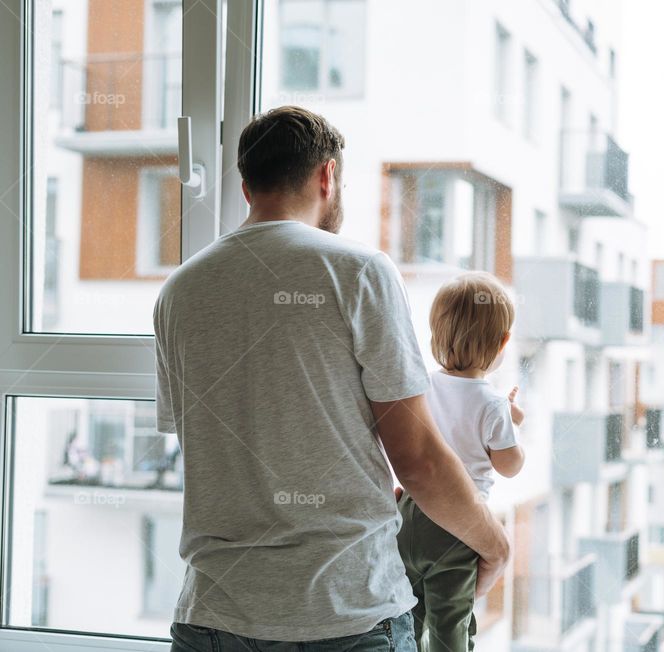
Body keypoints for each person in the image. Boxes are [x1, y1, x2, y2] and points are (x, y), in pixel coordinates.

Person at [154, 106, 510, 652]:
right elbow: (417, 460)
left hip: (211, 616)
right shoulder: (359, 271)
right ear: (327, 175)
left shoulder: (180, 290)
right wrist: (494, 543)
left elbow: (216, 442)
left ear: (247, 187)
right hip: (344, 617)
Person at [396, 273, 526, 651]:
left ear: (436, 333)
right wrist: (513, 426)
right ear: (503, 343)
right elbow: (509, 465)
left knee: (407, 613)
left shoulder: (419, 385)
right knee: (450, 622)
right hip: (456, 527)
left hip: (410, 513)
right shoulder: (493, 405)